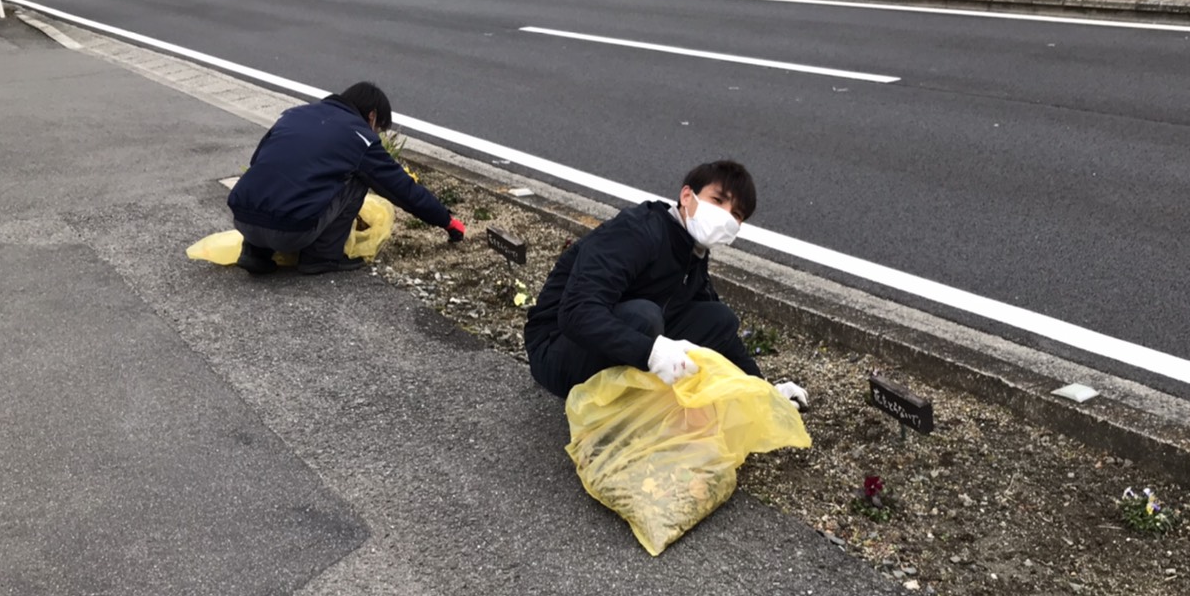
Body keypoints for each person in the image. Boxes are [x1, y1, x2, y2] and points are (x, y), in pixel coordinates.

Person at [524, 160, 808, 408]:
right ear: (687, 196)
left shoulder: (692, 253)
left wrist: (763, 389)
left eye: (736, 214)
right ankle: (618, 419)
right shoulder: (638, 230)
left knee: (719, 319)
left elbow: (721, 335)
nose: (725, 216)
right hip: (555, 348)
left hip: (616, 337)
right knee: (644, 318)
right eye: (718, 200)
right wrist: (650, 353)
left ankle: (641, 398)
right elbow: (576, 313)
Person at [227, 82, 466, 276]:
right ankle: (321, 257)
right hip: (292, 231)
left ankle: (254, 252)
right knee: (358, 178)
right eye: (379, 130)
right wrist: (446, 221)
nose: (378, 136)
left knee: (278, 171)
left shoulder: (294, 115)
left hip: (243, 218)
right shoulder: (359, 137)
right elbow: (402, 189)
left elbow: (258, 160)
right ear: (372, 117)